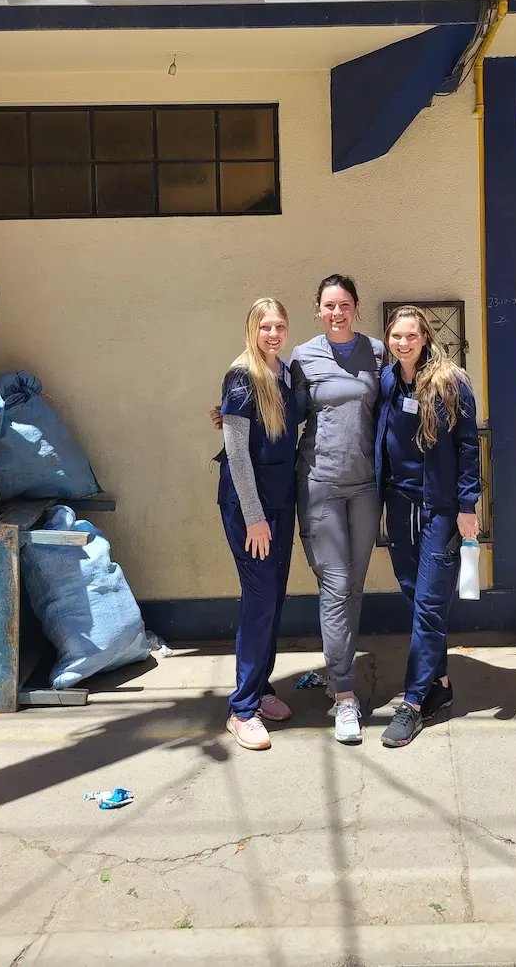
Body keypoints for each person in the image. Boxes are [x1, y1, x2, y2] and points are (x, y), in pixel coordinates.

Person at [375, 305, 480, 748]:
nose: (403, 343)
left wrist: (468, 504)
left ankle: (413, 703)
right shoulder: (387, 380)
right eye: (396, 336)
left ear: (424, 337)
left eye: (411, 335)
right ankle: (440, 686)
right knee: (411, 591)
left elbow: (469, 444)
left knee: (430, 605)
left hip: (440, 508)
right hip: (399, 503)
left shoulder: (449, 381)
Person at [291, 274, 385, 745]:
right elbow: (282, 411)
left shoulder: (378, 351)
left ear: (356, 307)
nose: (337, 312)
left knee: (355, 585)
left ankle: (337, 672)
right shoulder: (303, 357)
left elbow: (399, 400)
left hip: (366, 486)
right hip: (320, 485)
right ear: (319, 309)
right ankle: (344, 695)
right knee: (337, 584)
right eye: (329, 305)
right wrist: (232, 413)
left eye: (344, 304)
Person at [214, 298, 299, 751]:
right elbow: (239, 455)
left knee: (273, 599)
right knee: (259, 599)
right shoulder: (243, 376)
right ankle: (241, 709)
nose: (273, 333)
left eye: (279, 326)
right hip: (252, 511)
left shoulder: (283, 372)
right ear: (252, 329)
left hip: (280, 504)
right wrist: (255, 518)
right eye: (265, 326)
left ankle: (261, 689)